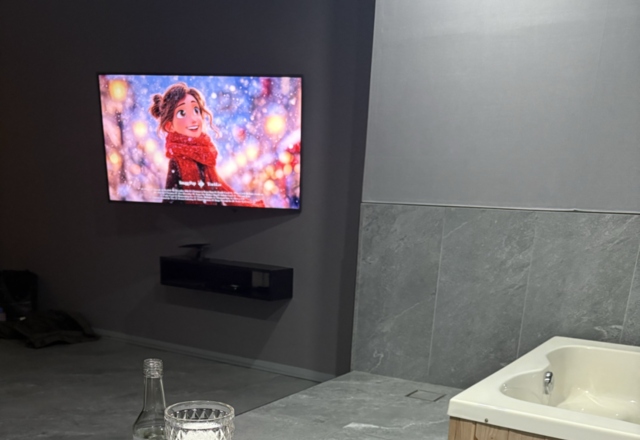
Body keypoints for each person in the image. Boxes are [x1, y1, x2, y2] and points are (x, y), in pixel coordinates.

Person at [149, 82, 263, 207]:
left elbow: (219, 191)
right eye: (182, 113)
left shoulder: (205, 157)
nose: (194, 119)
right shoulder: (176, 162)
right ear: (169, 126)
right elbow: (169, 202)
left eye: (196, 110)